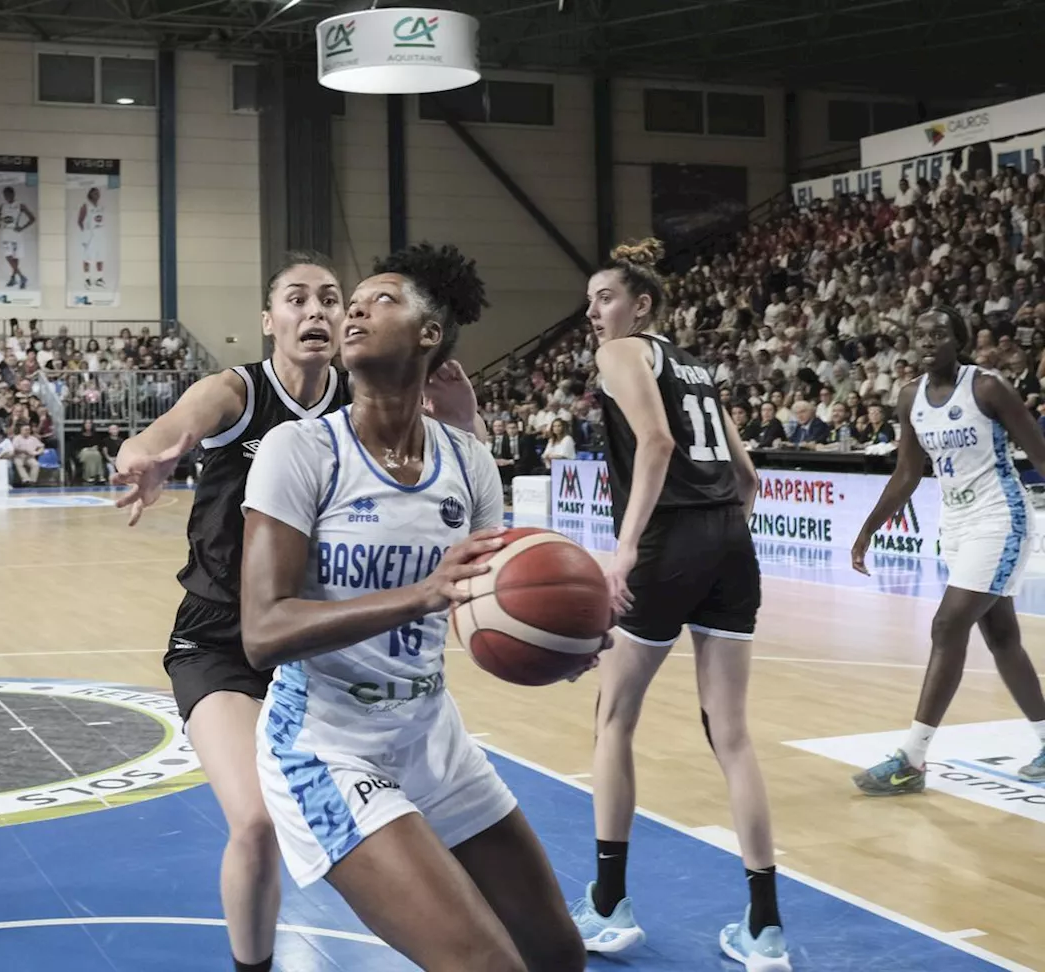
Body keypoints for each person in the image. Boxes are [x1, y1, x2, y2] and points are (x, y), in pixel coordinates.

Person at [111, 251, 486, 972]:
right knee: (254, 822)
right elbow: (183, 421)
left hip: (327, 650)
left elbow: (457, 503)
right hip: (224, 642)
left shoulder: (364, 412)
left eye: (329, 298)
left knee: (412, 820)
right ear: (269, 321)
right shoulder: (240, 392)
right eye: (296, 299)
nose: (315, 311)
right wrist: (147, 450)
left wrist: (469, 426)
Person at [239, 242, 586, 972]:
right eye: (351, 302)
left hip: (433, 738)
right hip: (325, 747)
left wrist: (571, 635)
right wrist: (422, 593)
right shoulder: (299, 451)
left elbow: (501, 593)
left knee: (557, 957)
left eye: (381, 300)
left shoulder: (468, 462)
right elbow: (264, 632)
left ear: (431, 334)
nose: (355, 309)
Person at [569, 239, 791, 972]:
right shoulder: (695, 365)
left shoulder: (623, 355)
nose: (593, 311)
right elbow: (748, 473)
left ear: (642, 305)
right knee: (732, 735)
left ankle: (608, 906)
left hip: (669, 542)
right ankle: (765, 930)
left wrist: (626, 547)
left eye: (605, 297)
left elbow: (658, 442)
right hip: (730, 539)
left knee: (613, 717)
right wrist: (724, 536)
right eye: (592, 299)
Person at [850, 305, 1045, 794]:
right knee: (1001, 637)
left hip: (1001, 516)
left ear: (958, 339)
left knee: (946, 624)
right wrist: (868, 529)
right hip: (956, 522)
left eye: (939, 334)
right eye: (921, 334)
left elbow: (1040, 454)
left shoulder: (987, 387)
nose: (928, 341)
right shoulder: (909, 396)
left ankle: (911, 760)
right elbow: (907, 474)